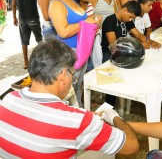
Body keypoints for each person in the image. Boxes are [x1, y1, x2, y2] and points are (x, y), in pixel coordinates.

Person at [0, 39, 139, 158]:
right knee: (106, 153)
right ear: (63, 74)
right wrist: (114, 117)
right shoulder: (77, 121)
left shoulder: (7, 100)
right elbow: (132, 146)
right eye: (72, 72)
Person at [49, 0, 99, 107]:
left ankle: (79, 110)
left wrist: (93, 23)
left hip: (82, 50)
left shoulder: (71, 1)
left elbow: (83, 22)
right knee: (67, 90)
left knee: (77, 85)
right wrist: (85, 23)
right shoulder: (56, 4)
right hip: (68, 53)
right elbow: (63, 31)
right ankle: (72, 116)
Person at [102, 1, 161, 105]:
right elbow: (113, 45)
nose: (130, 20)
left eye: (132, 18)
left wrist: (150, 41)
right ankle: (109, 105)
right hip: (111, 54)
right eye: (130, 17)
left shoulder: (127, 20)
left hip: (124, 52)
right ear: (125, 10)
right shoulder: (109, 20)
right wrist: (140, 45)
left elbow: (138, 35)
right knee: (113, 83)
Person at [12, 0, 43, 69]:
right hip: (33, 17)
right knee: (39, 40)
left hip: (22, 19)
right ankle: (41, 60)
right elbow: (40, 1)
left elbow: (13, 3)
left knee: (24, 41)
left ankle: (26, 62)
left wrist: (14, 17)